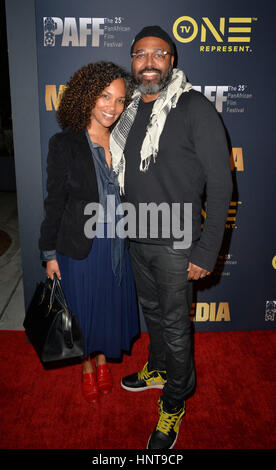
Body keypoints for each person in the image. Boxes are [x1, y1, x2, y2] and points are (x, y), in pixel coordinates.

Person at [110, 26, 233, 449]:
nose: (148, 63)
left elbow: (221, 184)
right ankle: (158, 367)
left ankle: (175, 401)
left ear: (171, 61)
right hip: (137, 237)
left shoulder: (194, 106)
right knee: (154, 315)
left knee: (177, 326)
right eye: (140, 54)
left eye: (158, 54)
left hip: (178, 243)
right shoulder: (126, 111)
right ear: (132, 62)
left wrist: (207, 248)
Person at [39, 61, 139, 404]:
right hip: (80, 246)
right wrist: (49, 254)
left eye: (120, 100)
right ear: (86, 98)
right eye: (105, 97)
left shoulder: (125, 140)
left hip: (116, 244)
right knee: (81, 310)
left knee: (107, 308)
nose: (113, 107)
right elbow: (54, 202)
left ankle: (102, 362)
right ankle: (86, 367)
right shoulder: (64, 144)